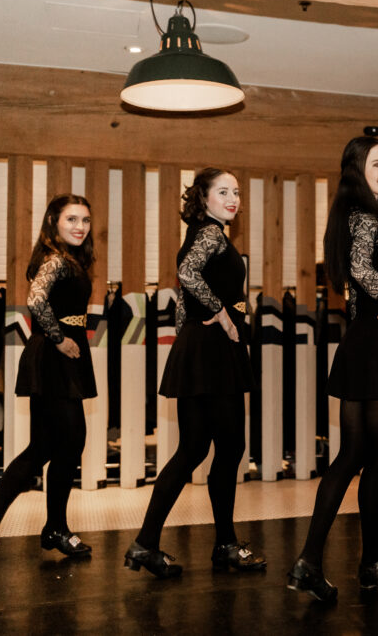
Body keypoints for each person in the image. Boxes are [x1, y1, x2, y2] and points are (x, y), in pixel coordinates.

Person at [287, 136, 378, 602]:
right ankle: (370, 563)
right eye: (377, 164)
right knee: (377, 463)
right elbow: (364, 272)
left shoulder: (352, 216)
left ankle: (313, 560)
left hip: (362, 340)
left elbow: (352, 280)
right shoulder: (367, 217)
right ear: (356, 169)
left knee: (351, 458)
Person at [124, 168, 265, 579]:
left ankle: (147, 543)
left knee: (194, 450)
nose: (233, 199)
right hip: (213, 351)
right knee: (228, 447)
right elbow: (188, 274)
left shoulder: (208, 233)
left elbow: (186, 289)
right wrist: (222, 317)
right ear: (203, 198)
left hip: (201, 348)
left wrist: (195, 328)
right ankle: (223, 545)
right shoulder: (212, 234)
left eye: (237, 191)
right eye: (223, 192)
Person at [0, 194, 96, 567]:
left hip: (60, 354)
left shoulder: (69, 260)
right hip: (54, 356)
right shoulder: (56, 260)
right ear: (53, 222)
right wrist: (60, 339)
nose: (80, 226)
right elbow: (36, 301)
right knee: (71, 440)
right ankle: (53, 527)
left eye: (85, 220)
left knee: (43, 447)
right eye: (71, 219)